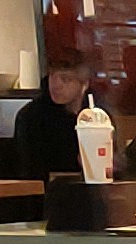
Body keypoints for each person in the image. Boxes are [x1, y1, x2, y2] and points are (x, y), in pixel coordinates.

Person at [8, 51, 93, 185]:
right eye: (52, 75)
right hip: (47, 195)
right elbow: (30, 172)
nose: (56, 85)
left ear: (84, 84)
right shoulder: (31, 116)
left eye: (66, 79)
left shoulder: (97, 116)